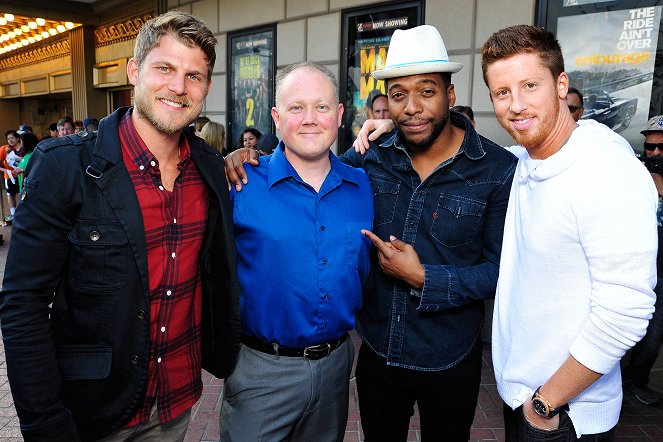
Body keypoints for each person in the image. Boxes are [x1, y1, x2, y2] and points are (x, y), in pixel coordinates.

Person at [225, 25, 517, 441]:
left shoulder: (497, 170)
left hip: (449, 357)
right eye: (399, 95)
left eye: (427, 91)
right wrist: (243, 156)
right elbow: (313, 168)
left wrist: (424, 278)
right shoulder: (371, 160)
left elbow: (500, 270)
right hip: (378, 354)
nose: (412, 107)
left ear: (450, 96)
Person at [0, 11, 240, 442]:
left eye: (195, 76)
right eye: (164, 68)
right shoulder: (64, 167)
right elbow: (23, 305)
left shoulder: (209, 168)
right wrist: (45, 422)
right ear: (134, 70)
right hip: (92, 410)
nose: (178, 87)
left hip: (177, 400)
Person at [482, 25, 657, 440]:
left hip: (565, 415)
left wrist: (545, 405)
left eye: (530, 85)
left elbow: (626, 311)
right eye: (502, 92)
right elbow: (469, 152)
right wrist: (387, 132)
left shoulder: (605, 170)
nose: (517, 105)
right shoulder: (527, 157)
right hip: (527, 400)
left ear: (561, 85)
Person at [220, 61, 373, 442]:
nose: (309, 119)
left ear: (339, 115)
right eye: (295, 107)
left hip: (336, 367)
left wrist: (386, 126)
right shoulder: (239, 183)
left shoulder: (363, 185)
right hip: (260, 370)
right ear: (275, 117)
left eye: (321, 107)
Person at [621, 115, 663, 407]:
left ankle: (636, 381)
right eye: (650, 147)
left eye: (661, 148)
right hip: (633, 267)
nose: (654, 153)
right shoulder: (634, 173)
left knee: (654, 334)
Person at [1, 130, 22, 222]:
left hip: (21, 176)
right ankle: (13, 214)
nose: (10, 140)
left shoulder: (22, 147)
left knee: (23, 194)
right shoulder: (3, 149)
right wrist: (5, 170)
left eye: (12, 138)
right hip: (9, 177)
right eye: (8, 139)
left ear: (17, 138)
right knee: (10, 195)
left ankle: (23, 214)